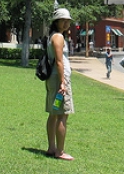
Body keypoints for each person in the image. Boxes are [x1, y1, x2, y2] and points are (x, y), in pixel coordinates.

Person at [45, 8, 75, 161]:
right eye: (63, 20)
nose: (66, 22)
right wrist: (63, 83)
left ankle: (52, 148)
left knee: (54, 112)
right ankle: (60, 151)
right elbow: (59, 62)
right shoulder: (58, 37)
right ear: (56, 21)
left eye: (68, 20)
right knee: (62, 114)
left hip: (54, 79)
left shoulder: (53, 36)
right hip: (59, 80)